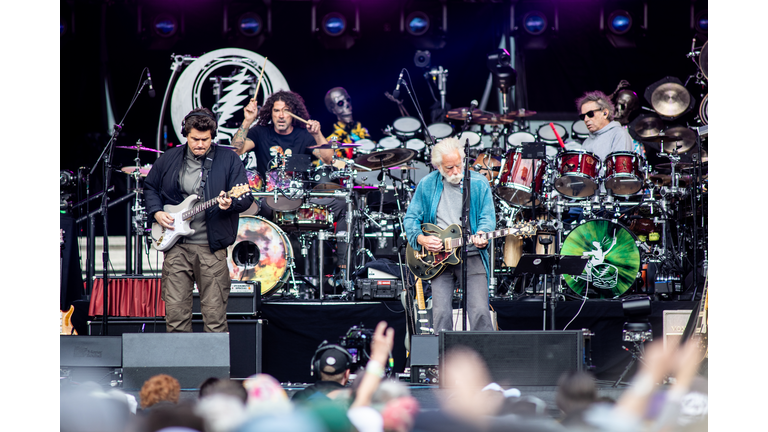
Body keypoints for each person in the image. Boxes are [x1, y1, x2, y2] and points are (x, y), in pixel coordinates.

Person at [144, 107, 254, 333]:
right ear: (185, 134)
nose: (200, 144)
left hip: (211, 250)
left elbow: (245, 198)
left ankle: (216, 369)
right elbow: (150, 187)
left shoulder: (229, 159)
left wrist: (230, 203)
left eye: (205, 139)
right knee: (175, 318)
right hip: (176, 248)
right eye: (195, 139)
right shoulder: (170, 158)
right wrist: (156, 212)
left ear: (212, 136)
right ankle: (178, 369)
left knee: (214, 319)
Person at [232, 90, 351, 275]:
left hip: (300, 200)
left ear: (294, 113)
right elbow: (235, 151)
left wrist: (318, 134)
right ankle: (250, 271)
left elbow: (328, 159)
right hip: (269, 200)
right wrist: (247, 121)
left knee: (343, 203)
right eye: (276, 110)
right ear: (270, 113)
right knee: (246, 205)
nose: (281, 115)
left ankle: (343, 270)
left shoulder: (304, 135)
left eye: (286, 110)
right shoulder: (260, 132)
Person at [403, 137, 496, 334]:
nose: (455, 171)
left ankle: (486, 360)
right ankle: (442, 362)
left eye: (458, 165)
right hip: (438, 259)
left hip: (470, 253)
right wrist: (422, 239)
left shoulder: (479, 183)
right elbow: (411, 219)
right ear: (437, 166)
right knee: (441, 314)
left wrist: (482, 234)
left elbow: (487, 218)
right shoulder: (427, 184)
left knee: (480, 311)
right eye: (449, 168)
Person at [575, 90, 634, 161]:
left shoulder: (619, 134)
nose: (586, 119)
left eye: (590, 114)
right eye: (582, 116)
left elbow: (621, 169)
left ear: (605, 113)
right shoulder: (586, 142)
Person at [324, 86, 371, 160]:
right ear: (333, 109)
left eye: (348, 100)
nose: (347, 105)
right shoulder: (332, 140)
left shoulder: (362, 130)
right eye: (340, 103)